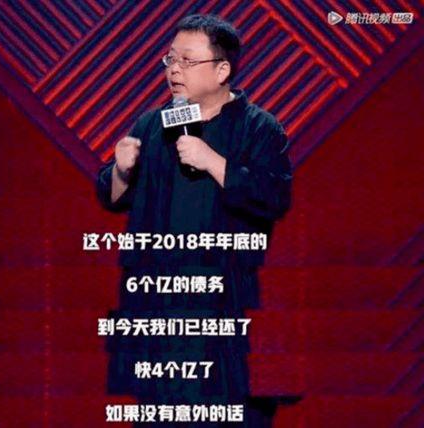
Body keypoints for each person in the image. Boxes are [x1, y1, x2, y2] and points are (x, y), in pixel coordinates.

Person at [96, 14, 292, 427]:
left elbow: (273, 197)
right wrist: (121, 172)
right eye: (170, 59)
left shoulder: (260, 127)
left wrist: (213, 162)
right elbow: (110, 197)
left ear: (222, 70)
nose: (174, 70)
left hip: (226, 308)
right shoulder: (152, 124)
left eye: (187, 60)